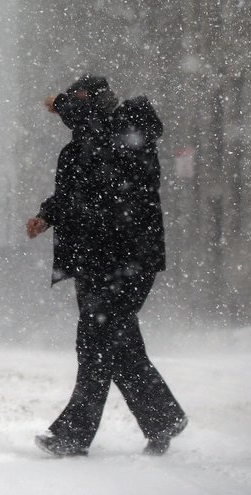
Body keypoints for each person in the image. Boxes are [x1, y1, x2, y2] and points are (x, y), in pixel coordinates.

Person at [26, 75, 187, 456]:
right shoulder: (82, 145)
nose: (68, 107)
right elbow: (79, 193)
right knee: (120, 348)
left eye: (78, 100)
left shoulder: (131, 127)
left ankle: (74, 434)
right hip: (96, 261)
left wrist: (64, 105)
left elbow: (108, 176)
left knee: (95, 345)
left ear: (99, 102)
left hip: (126, 261)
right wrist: (47, 215)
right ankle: (163, 418)